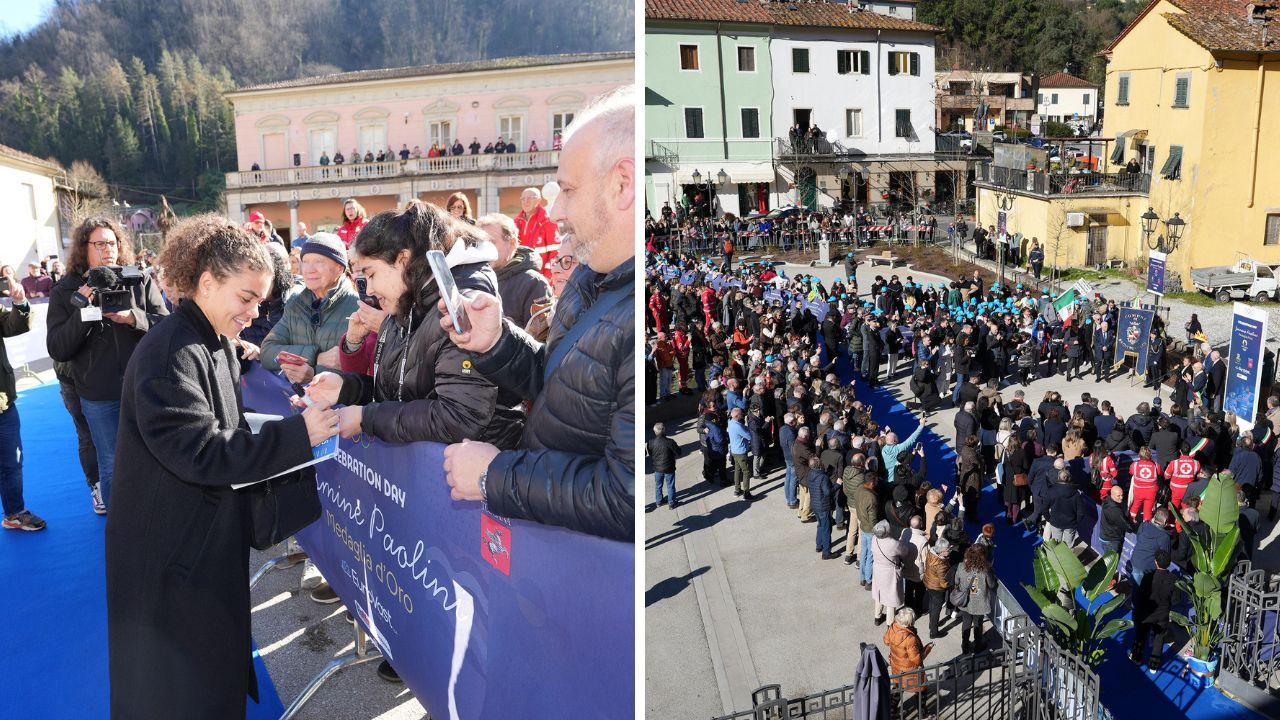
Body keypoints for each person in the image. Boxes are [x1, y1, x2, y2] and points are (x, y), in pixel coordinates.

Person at [105, 214, 340, 719]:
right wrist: (298, 435)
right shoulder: (169, 354)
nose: (254, 313)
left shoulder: (208, 343)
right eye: (246, 298)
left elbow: (222, 428)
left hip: (198, 548)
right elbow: (203, 452)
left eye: (259, 300)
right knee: (178, 697)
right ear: (207, 283)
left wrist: (278, 423)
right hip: (171, 562)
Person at [435, 86, 636, 541]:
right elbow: (558, 385)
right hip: (548, 520)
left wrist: (495, 475)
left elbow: (623, 498)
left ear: (622, 183)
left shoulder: (629, 310)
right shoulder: (589, 274)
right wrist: (497, 341)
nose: (555, 210)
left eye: (566, 189)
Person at [47, 217, 169, 511]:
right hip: (98, 393)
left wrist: (132, 318)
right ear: (83, 248)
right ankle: (121, 527)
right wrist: (83, 313)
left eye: (111, 243)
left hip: (142, 387)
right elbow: (58, 348)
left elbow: (166, 326)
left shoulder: (139, 278)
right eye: (99, 244)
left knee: (154, 455)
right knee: (112, 464)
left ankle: (155, 515)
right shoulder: (67, 290)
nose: (107, 250)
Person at [259, 232, 359, 384]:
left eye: (319, 261)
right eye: (305, 261)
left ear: (339, 268)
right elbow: (267, 352)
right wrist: (315, 356)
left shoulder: (358, 308)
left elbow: (365, 372)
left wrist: (314, 373)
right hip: (300, 405)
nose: (309, 269)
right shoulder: (295, 304)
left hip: (343, 407)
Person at [0, 278, 37, 529]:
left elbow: (16, 326)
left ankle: (14, 513)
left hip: (3, 403)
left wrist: (19, 302)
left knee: (12, 462)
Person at [476, 213, 552, 330]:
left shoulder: (534, 284)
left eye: (491, 242)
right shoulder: (475, 279)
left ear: (512, 243)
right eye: (480, 243)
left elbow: (539, 339)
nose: (484, 249)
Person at [1131, 549, 1177, 673]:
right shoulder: (1173, 579)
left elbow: (1140, 596)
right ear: (1169, 563)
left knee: (1140, 636)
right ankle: (1153, 666)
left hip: (1146, 613)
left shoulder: (1148, 577)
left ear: (1156, 562)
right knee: (1159, 639)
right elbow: (1175, 599)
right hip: (1162, 614)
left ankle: (1136, 657)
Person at [951, 543, 997, 653]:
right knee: (978, 624)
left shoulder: (962, 566)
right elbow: (991, 585)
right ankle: (978, 645)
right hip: (979, 602)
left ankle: (965, 645)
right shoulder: (986, 569)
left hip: (965, 601)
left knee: (966, 623)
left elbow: (956, 581)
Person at [884, 607, 933, 695]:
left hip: (896, 666)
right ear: (910, 622)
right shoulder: (910, 639)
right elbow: (916, 660)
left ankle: (892, 708)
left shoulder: (893, 627)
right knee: (921, 689)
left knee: (898, 687)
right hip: (910, 671)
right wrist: (928, 648)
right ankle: (921, 708)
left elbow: (886, 641)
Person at [514, 187, 559, 278]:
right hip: (520, 274)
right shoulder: (516, 222)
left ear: (538, 200)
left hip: (540, 275)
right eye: (523, 199)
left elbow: (555, 251)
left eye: (530, 198)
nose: (526, 201)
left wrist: (548, 274)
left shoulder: (547, 221)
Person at [871, 519, 909, 625]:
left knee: (879, 593)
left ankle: (877, 617)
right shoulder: (893, 543)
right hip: (890, 572)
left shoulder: (874, 539)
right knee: (890, 597)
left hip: (878, 569)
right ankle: (890, 623)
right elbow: (904, 552)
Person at [1130, 507, 1172, 587]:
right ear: (1165, 521)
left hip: (1136, 560)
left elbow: (1138, 537)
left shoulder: (1144, 525)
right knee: (1138, 590)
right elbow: (1165, 555)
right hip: (1148, 568)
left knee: (1135, 585)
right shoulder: (1164, 537)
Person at [807, 455, 835, 558]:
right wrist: (836, 485)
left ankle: (819, 545)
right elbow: (827, 492)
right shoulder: (823, 477)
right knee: (826, 528)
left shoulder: (810, 474)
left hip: (815, 504)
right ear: (819, 465)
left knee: (820, 525)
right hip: (823, 505)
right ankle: (826, 552)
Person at [647, 422, 680, 510]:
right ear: (664, 430)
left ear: (655, 432)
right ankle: (672, 503)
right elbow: (678, 453)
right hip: (669, 467)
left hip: (657, 468)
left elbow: (650, 454)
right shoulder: (670, 442)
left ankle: (659, 501)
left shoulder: (650, 442)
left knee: (658, 485)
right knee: (670, 485)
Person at [1099, 484, 1136, 557]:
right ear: (1112, 495)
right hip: (1111, 541)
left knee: (1105, 558)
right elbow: (1127, 527)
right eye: (1118, 496)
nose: (1121, 498)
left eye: (1122, 495)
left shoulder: (1106, 501)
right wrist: (1132, 525)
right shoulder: (1115, 511)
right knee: (1111, 564)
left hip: (1103, 536)